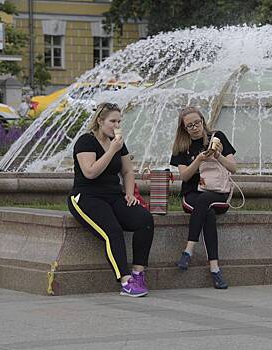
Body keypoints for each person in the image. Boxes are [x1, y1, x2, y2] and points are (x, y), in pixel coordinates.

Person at [67, 102, 154, 297]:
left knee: (145, 220)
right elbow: (90, 172)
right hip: (86, 196)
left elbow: (128, 170)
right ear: (100, 121)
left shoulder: (118, 142)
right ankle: (125, 281)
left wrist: (130, 193)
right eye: (112, 121)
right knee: (112, 230)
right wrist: (112, 150)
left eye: (119, 121)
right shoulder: (86, 141)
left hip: (114, 195)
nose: (116, 125)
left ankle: (138, 273)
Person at [170, 106, 237, 289]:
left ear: (203, 121)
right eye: (190, 125)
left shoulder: (217, 137)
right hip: (192, 194)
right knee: (205, 210)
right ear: (184, 128)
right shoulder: (182, 147)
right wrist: (198, 160)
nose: (195, 128)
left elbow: (233, 167)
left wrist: (218, 156)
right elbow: (184, 176)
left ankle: (188, 250)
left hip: (218, 193)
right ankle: (215, 269)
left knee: (206, 201)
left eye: (197, 123)